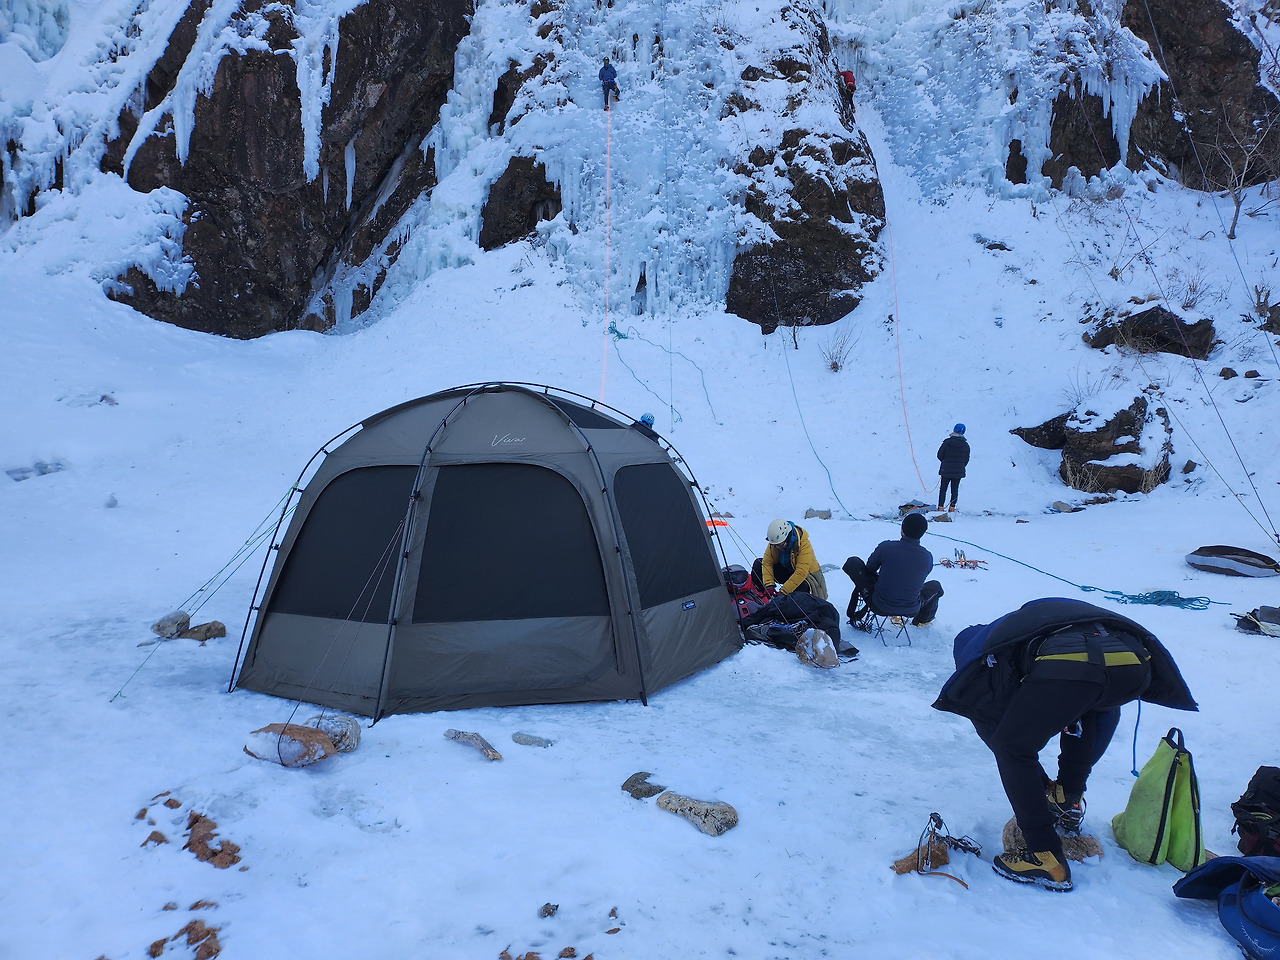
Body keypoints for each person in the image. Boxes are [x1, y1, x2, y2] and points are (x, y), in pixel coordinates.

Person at [933, 598, 1197, 892]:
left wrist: (1033, 774)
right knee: (1089, 706)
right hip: (1133, 664)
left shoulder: (979, 652)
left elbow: (999, 734)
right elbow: (1100, 713)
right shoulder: (1022, 628)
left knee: (1012, 746)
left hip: (1071, 662)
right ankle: (1067, 799)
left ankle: (1044, 856)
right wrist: (1066, 784)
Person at [843, 512, 943, 627]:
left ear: (902, 529)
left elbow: (870, 568)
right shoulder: (927, 557)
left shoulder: (886, 547)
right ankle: (922, 620)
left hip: (879, 605)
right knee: (936, 586)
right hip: (911, 609)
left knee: (853, 562)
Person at [752, 518, 828, 599]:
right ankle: (759, 597)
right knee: (758, 564)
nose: (777, 547)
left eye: (780, 545)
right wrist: (769, 585)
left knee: (802, 586)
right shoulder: (776, 542)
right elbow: (767, 562)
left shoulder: (803, 543)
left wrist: (783, 592)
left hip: (806, 577)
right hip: (787, 571)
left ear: (787, 538)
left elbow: (801, 572)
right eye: (775, 545)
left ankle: (790, 607)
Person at [937, 423, 970, 513]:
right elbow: (966, 460)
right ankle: (952, 507)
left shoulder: (947, 442)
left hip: (946, 469)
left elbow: (940, 455)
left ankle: (940, 507)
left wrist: (945, 462)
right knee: (954, 489)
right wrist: (960, 466)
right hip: (958, 471)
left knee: (943, 489)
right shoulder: (965, 445)